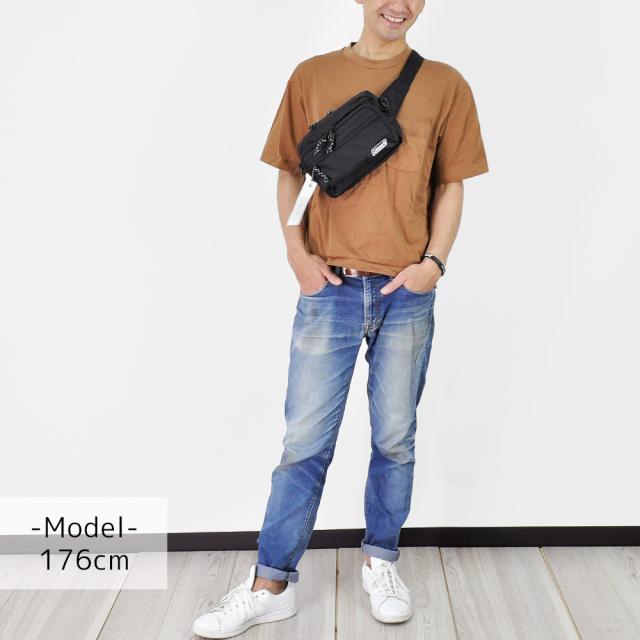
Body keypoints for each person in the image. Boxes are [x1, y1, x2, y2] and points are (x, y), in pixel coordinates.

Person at [192, 0, 488, 637]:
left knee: (395, 439)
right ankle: (271, 584)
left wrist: (434, 263)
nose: (398, 5)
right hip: (329, 287)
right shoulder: (312, 75)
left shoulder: (446, 84)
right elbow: (289, 172)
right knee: (303, 443)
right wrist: (295, 252)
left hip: (407, 291)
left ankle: (381, 563)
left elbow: (452, 182)